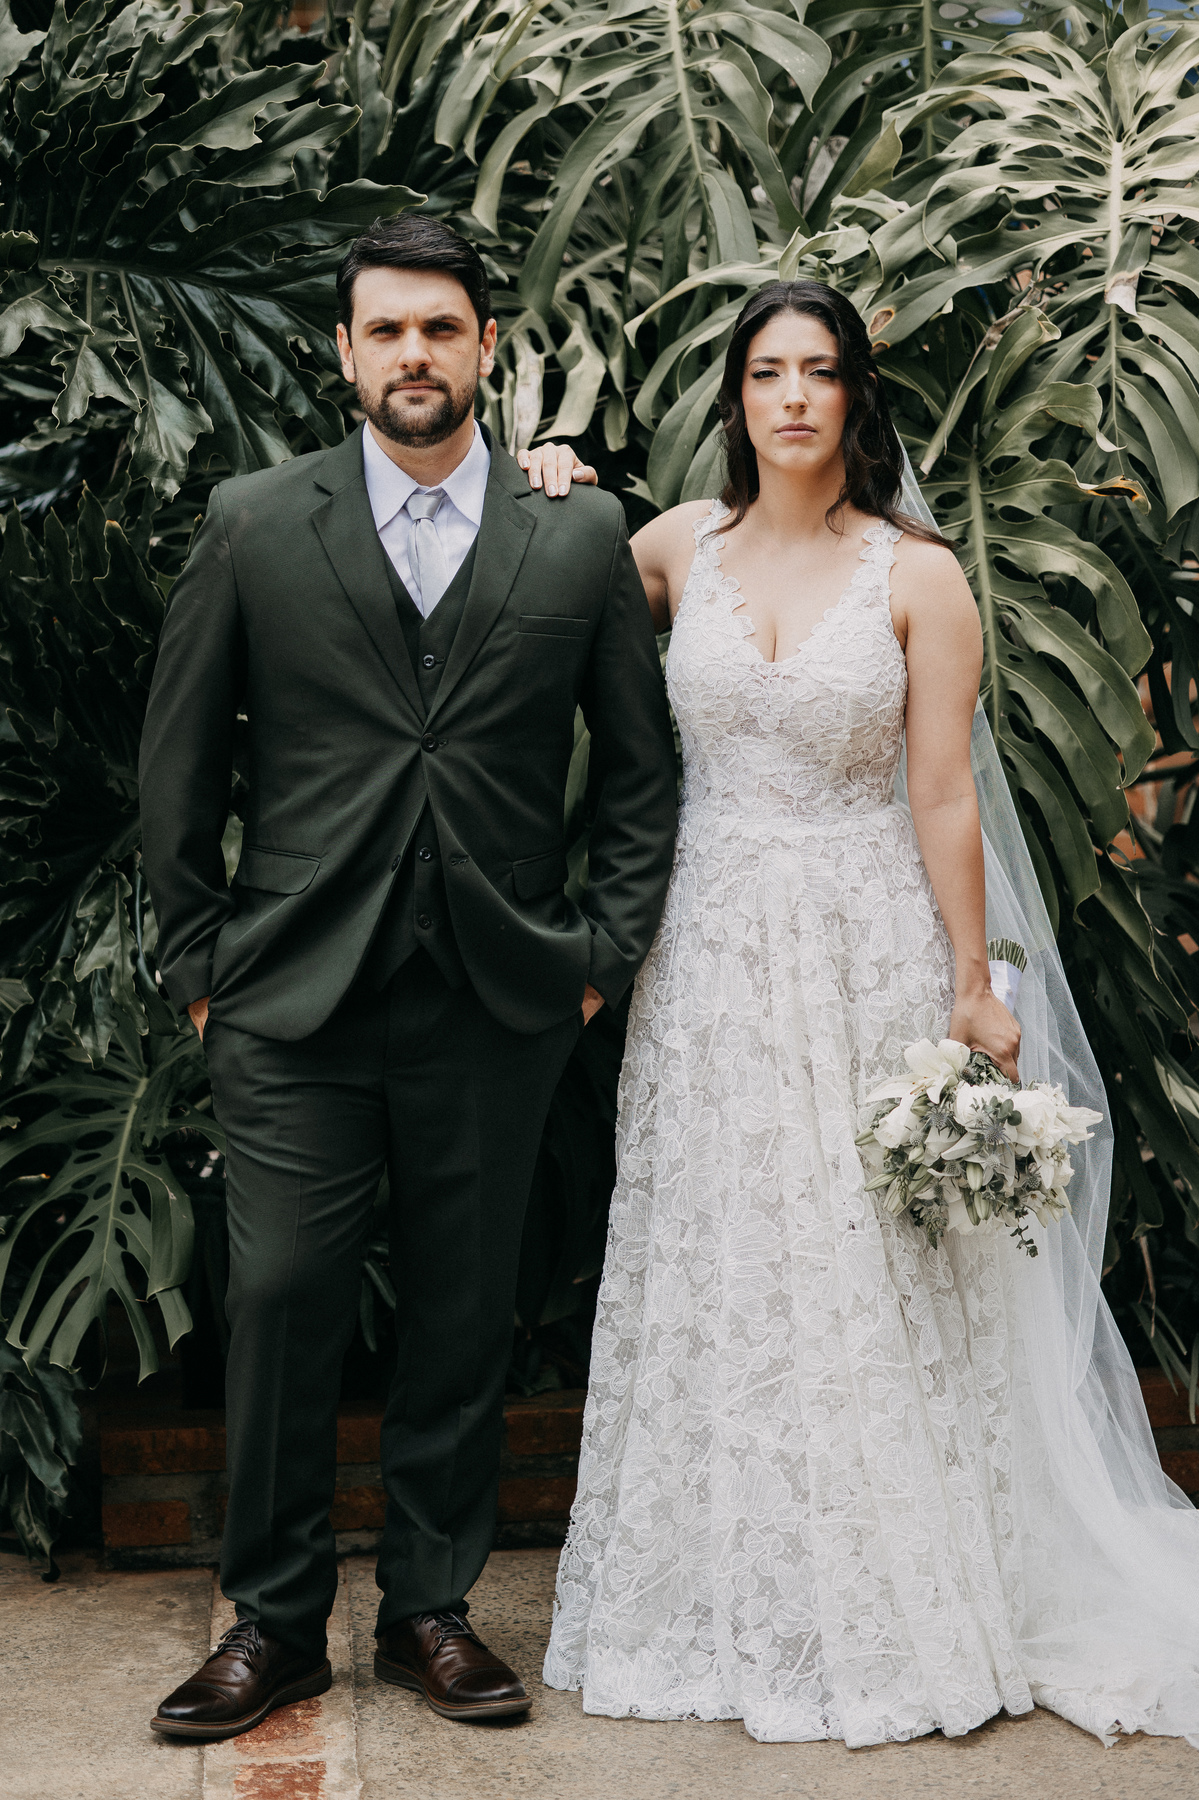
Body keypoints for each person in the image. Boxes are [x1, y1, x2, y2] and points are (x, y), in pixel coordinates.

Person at [527, 280, 1199, 1749]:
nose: (792, 397)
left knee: (867, 1263)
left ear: (854, 397)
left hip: (863, 941)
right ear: (734, 398)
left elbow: (943, 791)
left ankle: (903, 1592)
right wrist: (554, 478)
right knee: (720, 1248)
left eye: (819, 371)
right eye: (767, 371)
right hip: (707, 951)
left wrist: (972, 983)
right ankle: (725, 1588)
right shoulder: (672, 548)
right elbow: (538, 590)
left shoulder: (919, 575)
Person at [138, 213, 678, 1740]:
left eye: (442, 327)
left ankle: (431, 1610)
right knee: (281, 1297)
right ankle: (274, 1623)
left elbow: (641, 775)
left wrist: (595, 961)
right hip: (290, 1001)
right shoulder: (255, 523)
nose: (415, 354)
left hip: (498, 998)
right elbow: (178, 764)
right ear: (344, 352)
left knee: (461, 1311)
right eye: (387, 329)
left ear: (487, 345)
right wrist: (201, 970)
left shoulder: (574, 534)